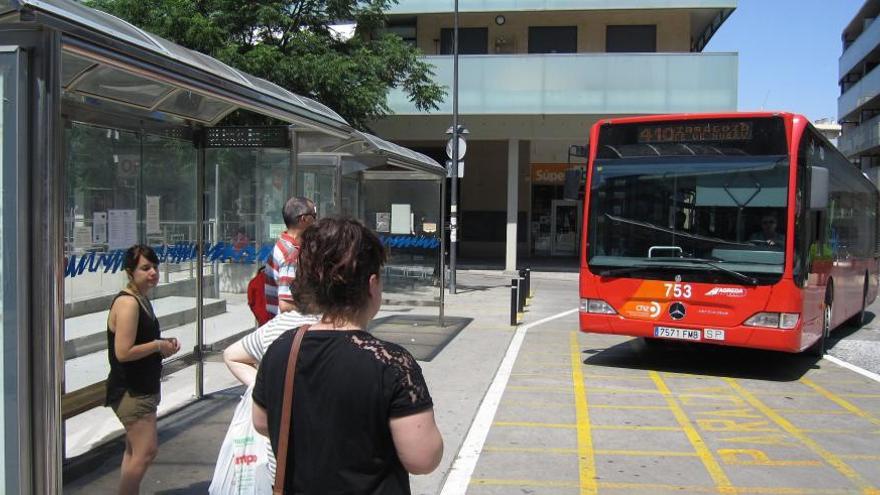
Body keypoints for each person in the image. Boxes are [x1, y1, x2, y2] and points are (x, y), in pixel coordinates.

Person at [252, 217, 443, 493]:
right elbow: (423, 459)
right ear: (372, 284)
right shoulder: (391, 363)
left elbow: (261, 421)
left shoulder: (283, 347)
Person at [105, 244, 181, 494]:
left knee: (134, 451)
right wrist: (158, 345)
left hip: (140, 387)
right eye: (145, 268)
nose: (153, 273)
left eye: (155, 267)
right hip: (132, 390)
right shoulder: (129, 304)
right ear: (130, 271)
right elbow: (123, 352)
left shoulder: (140, 299)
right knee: (146, 451)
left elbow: (139, 343)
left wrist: (161, 345)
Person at [265, 197, 317, 316]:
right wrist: (321, 311)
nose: (316, 221)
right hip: (288, 328)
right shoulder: (291, 254)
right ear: (304, 219)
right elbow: (286, 305)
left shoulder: (284, 244)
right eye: (314, 216)